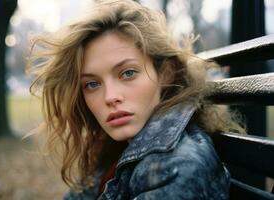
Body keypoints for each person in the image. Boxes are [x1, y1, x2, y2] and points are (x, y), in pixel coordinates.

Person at [27, 0, 245, 199]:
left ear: (166, 74)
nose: (110, 97)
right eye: (92, 84)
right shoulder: (117, 148)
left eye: (128, 73)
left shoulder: (177, 167)